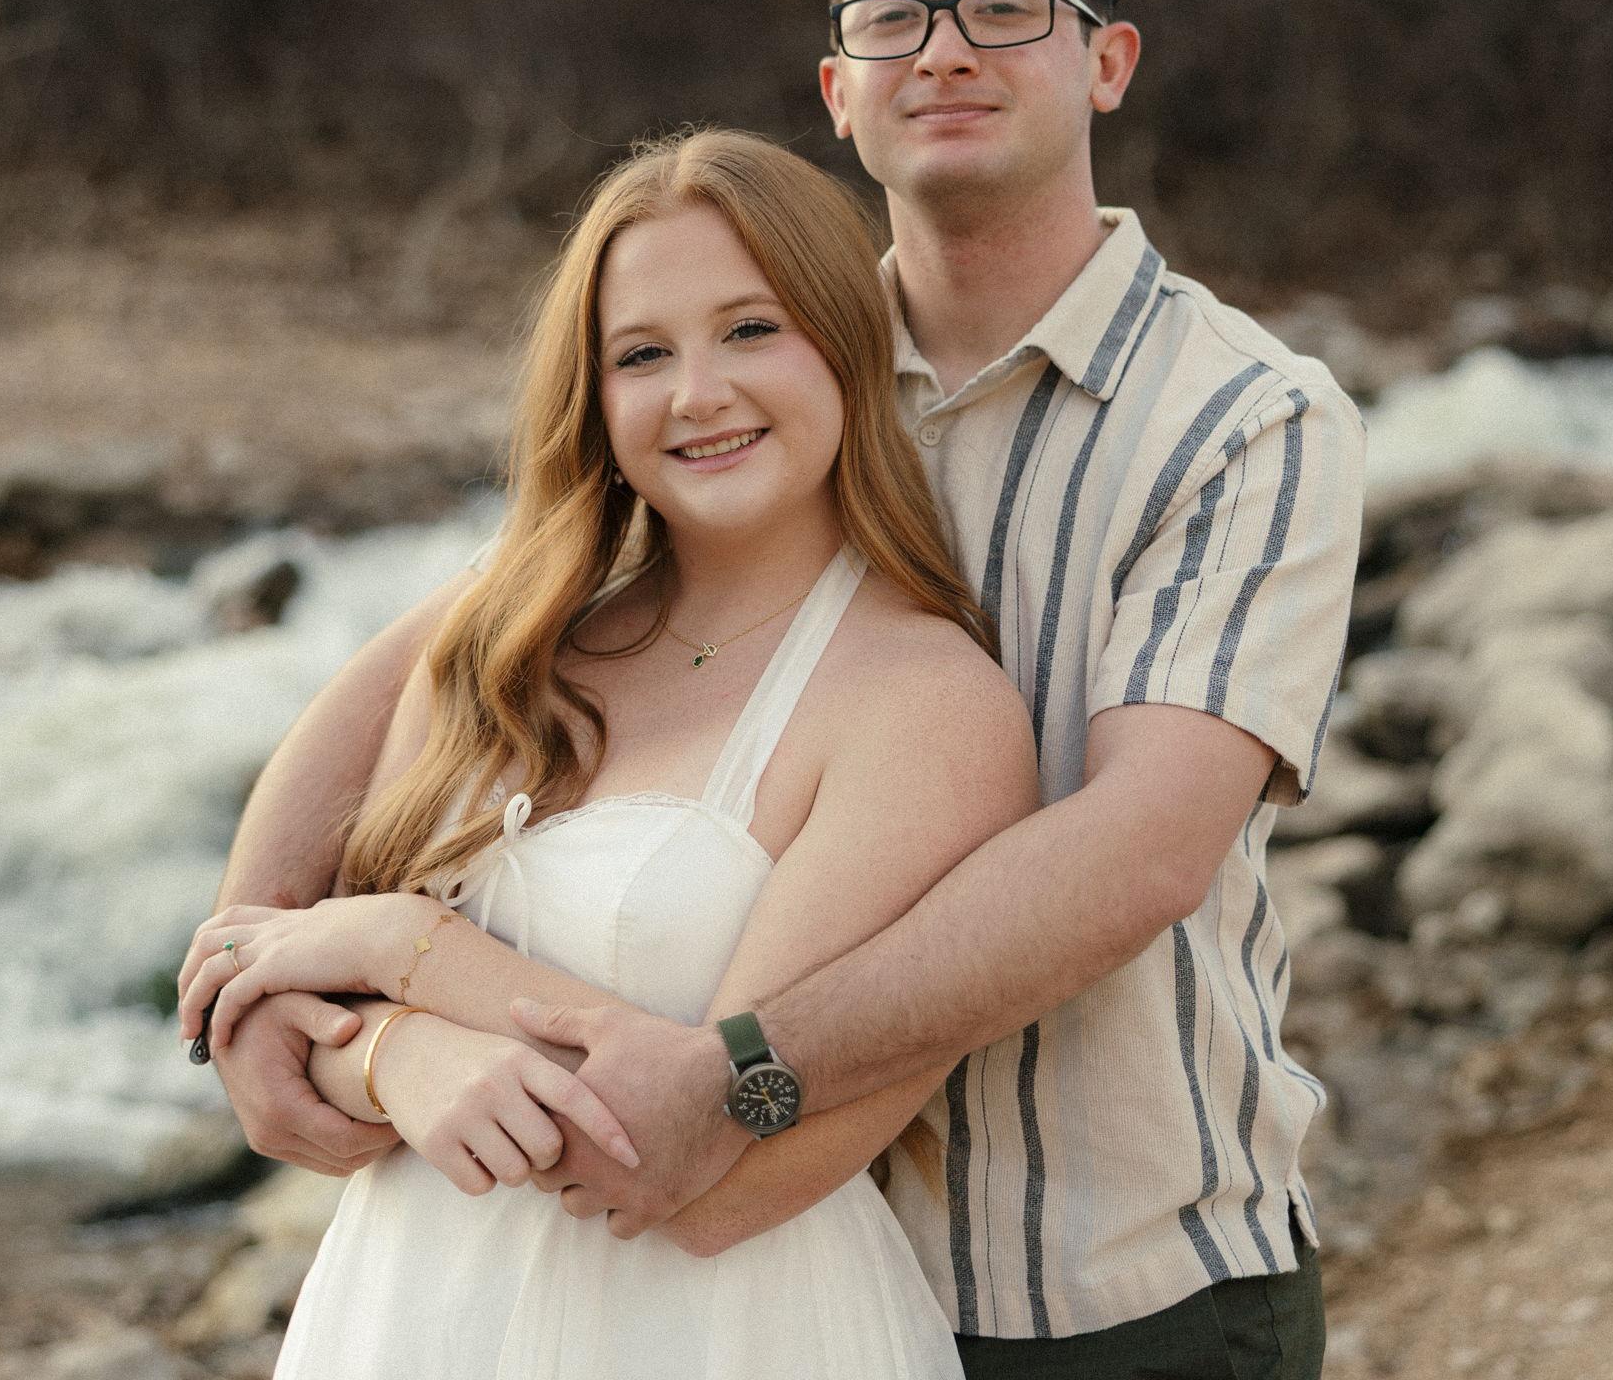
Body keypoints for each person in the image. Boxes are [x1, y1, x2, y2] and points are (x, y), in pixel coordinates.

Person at [196, 0, 1366, 1378]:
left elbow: (1142, 848)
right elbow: (443, 645)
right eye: (893, 18)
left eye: (1004, 8)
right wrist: (257, 960)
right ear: (838, 91)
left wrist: (724, 1071)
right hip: (788, 1260)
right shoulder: (769, 347)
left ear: (1107, 62)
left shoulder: (1242, 420)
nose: (943, 51)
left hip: (1103, 1277)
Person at [175, 128, 1038, 1376]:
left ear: (845, 344)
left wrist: (399, 948)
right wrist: (395, 1052)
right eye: (642, 353)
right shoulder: (505, 643)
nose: (698, 393)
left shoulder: (925, 704)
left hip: (723, 1333)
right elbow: (293, 1004)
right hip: (407, 1315)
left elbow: (689, 1145)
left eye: (750, 329)